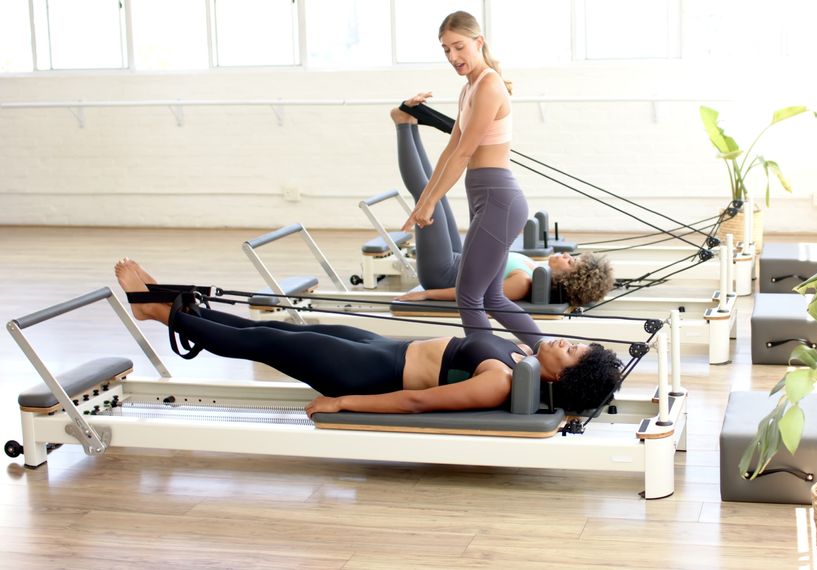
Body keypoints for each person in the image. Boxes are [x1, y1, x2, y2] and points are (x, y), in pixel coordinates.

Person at [115, 259, 622, 416]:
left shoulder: (501, 381)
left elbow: (421, 400)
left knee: (262, 344)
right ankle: (173, 309)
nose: (564, 341)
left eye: (572, 351)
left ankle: (158, 311)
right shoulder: (524, 354)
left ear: (561, 376)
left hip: (363, 370)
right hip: (380, 347)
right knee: (271, 328)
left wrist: (344, 404)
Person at [400, 11, 542, 348]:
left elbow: (464, 154)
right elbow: (450, 150)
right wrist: (423, 201)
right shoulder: (469, 89)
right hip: (487, 199)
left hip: (499, 199)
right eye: (446, 50)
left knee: (468, 296)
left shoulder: (489, 85)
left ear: (478, 42)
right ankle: (549, 355)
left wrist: (433, 201)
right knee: (492, 298)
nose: (453, 57)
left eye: (459, 47)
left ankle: (487, 364)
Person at [391, 101, 614, 308]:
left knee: (425, 197)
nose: (567, 256)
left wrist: (426, 294)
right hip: (458, 260)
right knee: (435, 192)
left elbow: (471, 294)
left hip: (442, 274)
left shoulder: (523, 283)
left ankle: (402, 125)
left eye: (571, 263)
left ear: (568, 279)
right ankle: (408, 123)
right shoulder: (534, 268)